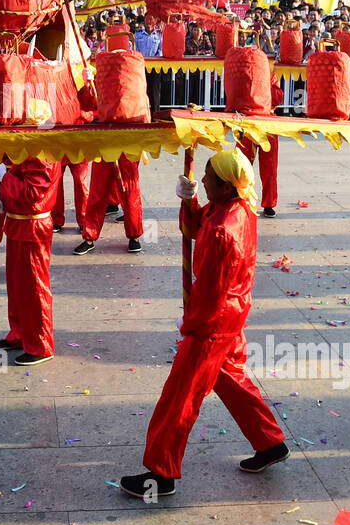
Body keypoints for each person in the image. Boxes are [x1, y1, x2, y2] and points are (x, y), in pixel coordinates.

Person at [119, 149, 288, 499]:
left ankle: (160, 473)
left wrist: (192, 322)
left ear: (227, 186)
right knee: (231, 380)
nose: (205, 179)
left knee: (181, 395)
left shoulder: (225, 231)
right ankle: (270, 442)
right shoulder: (236, 208)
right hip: (231, 314)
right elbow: (195, 226)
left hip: (214, 321)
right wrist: (191, 198)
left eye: (209, 177)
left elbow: (213, 287)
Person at [0, 149, 61, 365]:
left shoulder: (42, 151)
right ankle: (21, 334)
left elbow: (33, 194)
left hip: (32, 225)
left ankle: (40, 344)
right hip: (19, 222)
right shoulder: (31, 146)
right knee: (17, 285)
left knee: (34, 288)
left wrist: (5, 177)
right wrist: (1, 201)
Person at [74, 154, 144, 254]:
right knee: (97, 193)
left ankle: (134, 236)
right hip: (103, 149)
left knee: (130, 195)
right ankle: (89, 238)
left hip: (127, 150)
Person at [237, 80, 284, 217]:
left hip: (268, 122)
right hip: (247, 121)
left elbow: (277, 98)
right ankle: (239, 199)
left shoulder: (271, 72)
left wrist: (263, 87)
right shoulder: (245, 68)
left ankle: (269, 203)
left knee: (269, 167)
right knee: (241, 164)